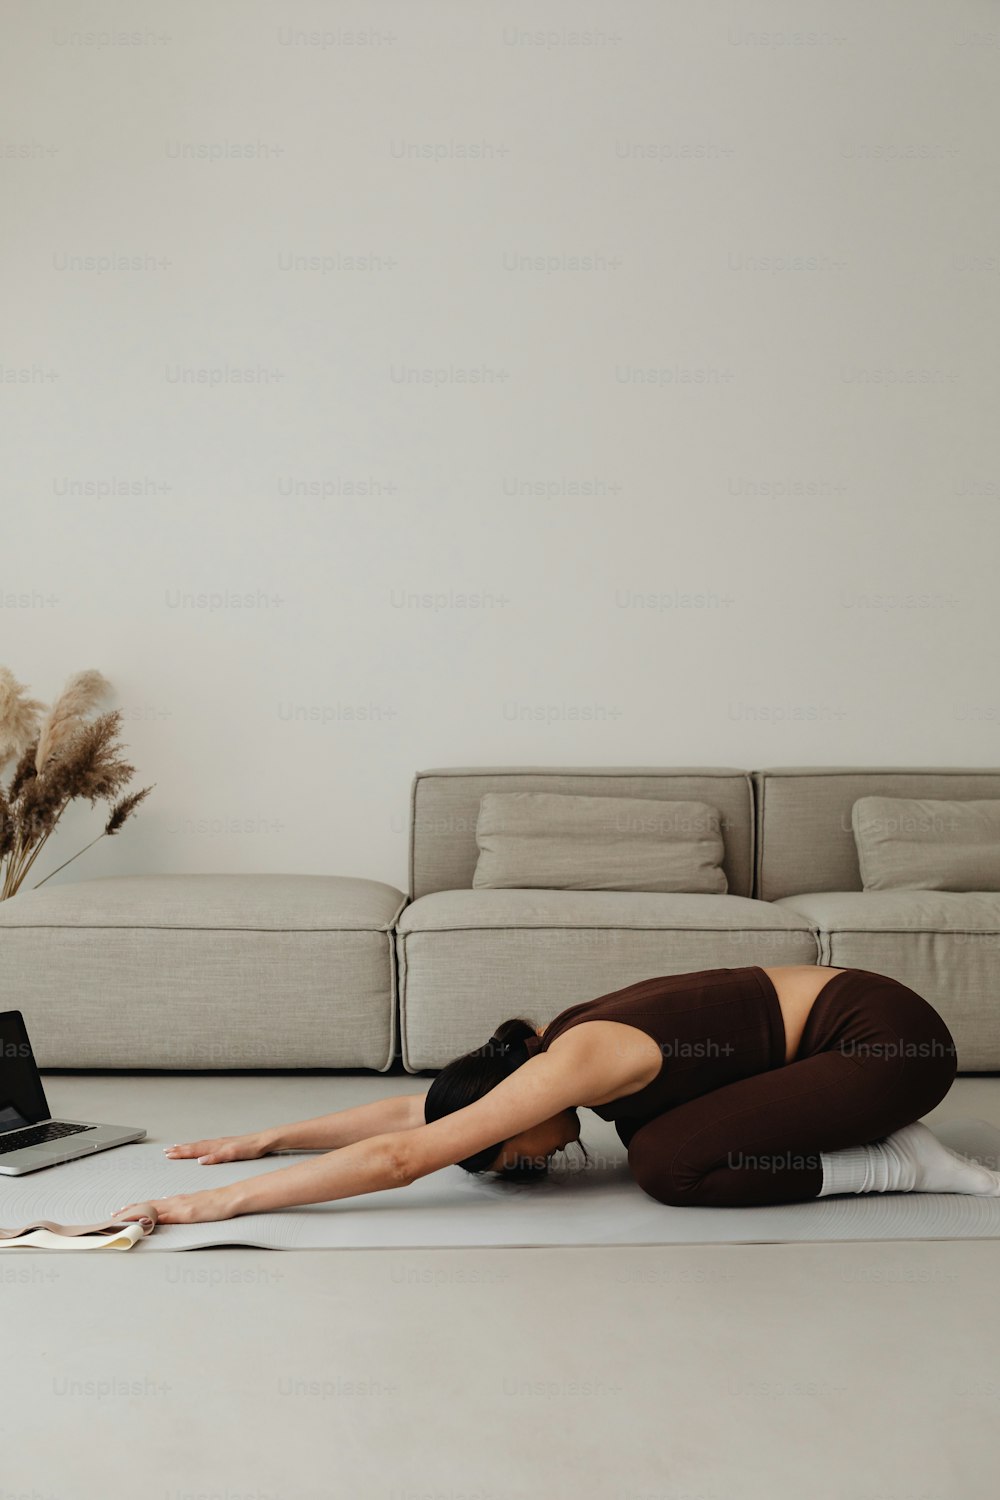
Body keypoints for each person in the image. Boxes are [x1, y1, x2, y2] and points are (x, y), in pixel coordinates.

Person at [114, 965, 1000, 1225]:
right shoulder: (541, 1054)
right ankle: (856, 1121)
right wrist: (265, 1140)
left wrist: (218, 1204)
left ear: (514, 1102)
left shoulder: (575, 1063)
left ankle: (901, 1162)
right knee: (654, 1137)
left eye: (505, 1156)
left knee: (669, 1165)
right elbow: (413, 1117)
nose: (533, 1160)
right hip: (845, 1044)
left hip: (889, 1046)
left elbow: (403, 1154)